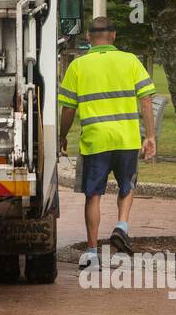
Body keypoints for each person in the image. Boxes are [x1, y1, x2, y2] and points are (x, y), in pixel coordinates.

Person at [58, 17, 157, 272]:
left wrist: (61, 135)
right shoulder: (131, 61)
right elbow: (146, 99)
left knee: (93, 195)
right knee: (128, 185)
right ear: (113, 36)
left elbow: (68, 109)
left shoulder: (78, 66)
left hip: (95, 140)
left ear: (88, 37)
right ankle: (122, 226)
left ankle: (92, 253)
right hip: (126, 138)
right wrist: (150, 136)